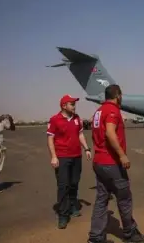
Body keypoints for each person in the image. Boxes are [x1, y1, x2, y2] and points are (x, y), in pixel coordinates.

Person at [88, 85, 144, 243]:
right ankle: (131, 234)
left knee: (102, 199)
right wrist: (122, 155)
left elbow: (97, 135)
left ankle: (96, 237)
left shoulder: (98, 111)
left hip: (99, 162)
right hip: (111, 163)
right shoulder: (113, 110)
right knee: (124, 198)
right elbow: (109, 132)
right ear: (118, 95)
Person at [46, 94, 92, 229]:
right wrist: (54, 156)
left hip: (76, 156)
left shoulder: (77, 118)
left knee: (74, 183)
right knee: (63, 185)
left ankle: (72, 206)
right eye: (72, 104)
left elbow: (80, 134)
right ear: (64, 106)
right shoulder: (55, 120)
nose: (74, 106)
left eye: (74, 103)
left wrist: (87, 148)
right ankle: (63, 215)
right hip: (62, 157)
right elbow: (50, 139)